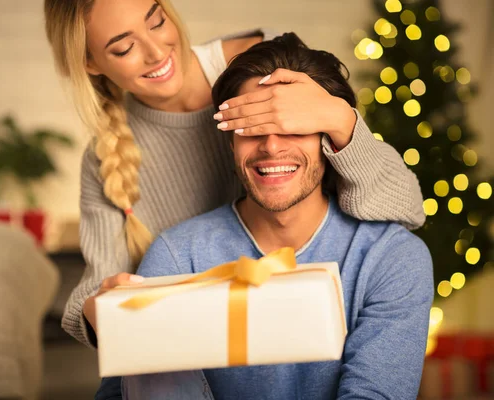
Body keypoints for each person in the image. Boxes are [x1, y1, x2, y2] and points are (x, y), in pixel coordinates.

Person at [43, 0, 425, 351]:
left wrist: (339, 117)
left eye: (157, 22)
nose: (157, 52)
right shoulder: (107, 158)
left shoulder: (265, 68)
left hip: (311, 320)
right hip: (200, 346)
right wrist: (103, 312)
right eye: (123, 48)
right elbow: (98, 289)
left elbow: (406, 206)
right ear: (91, 63)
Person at [114, 32, 433, 400]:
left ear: (327, 138)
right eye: (250, 127)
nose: (271, 145)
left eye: (293, 126)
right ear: (229, 142)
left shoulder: (390, 259)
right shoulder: (176, 258)